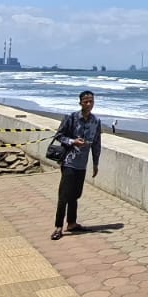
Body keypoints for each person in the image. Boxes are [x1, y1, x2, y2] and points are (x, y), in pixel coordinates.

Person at [51, 90, 103, 240]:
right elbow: (59, 136)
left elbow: (97, 144)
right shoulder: (71, 118)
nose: (89, 104)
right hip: (69, 161)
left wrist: (96, 163)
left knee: (76, 194)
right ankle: (58, 226)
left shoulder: (96, 121)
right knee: (64, 195)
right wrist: (73, 141)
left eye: (91, 101)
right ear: (80, 103)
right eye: (86, 101)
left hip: (82, 163)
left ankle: (72, 223)